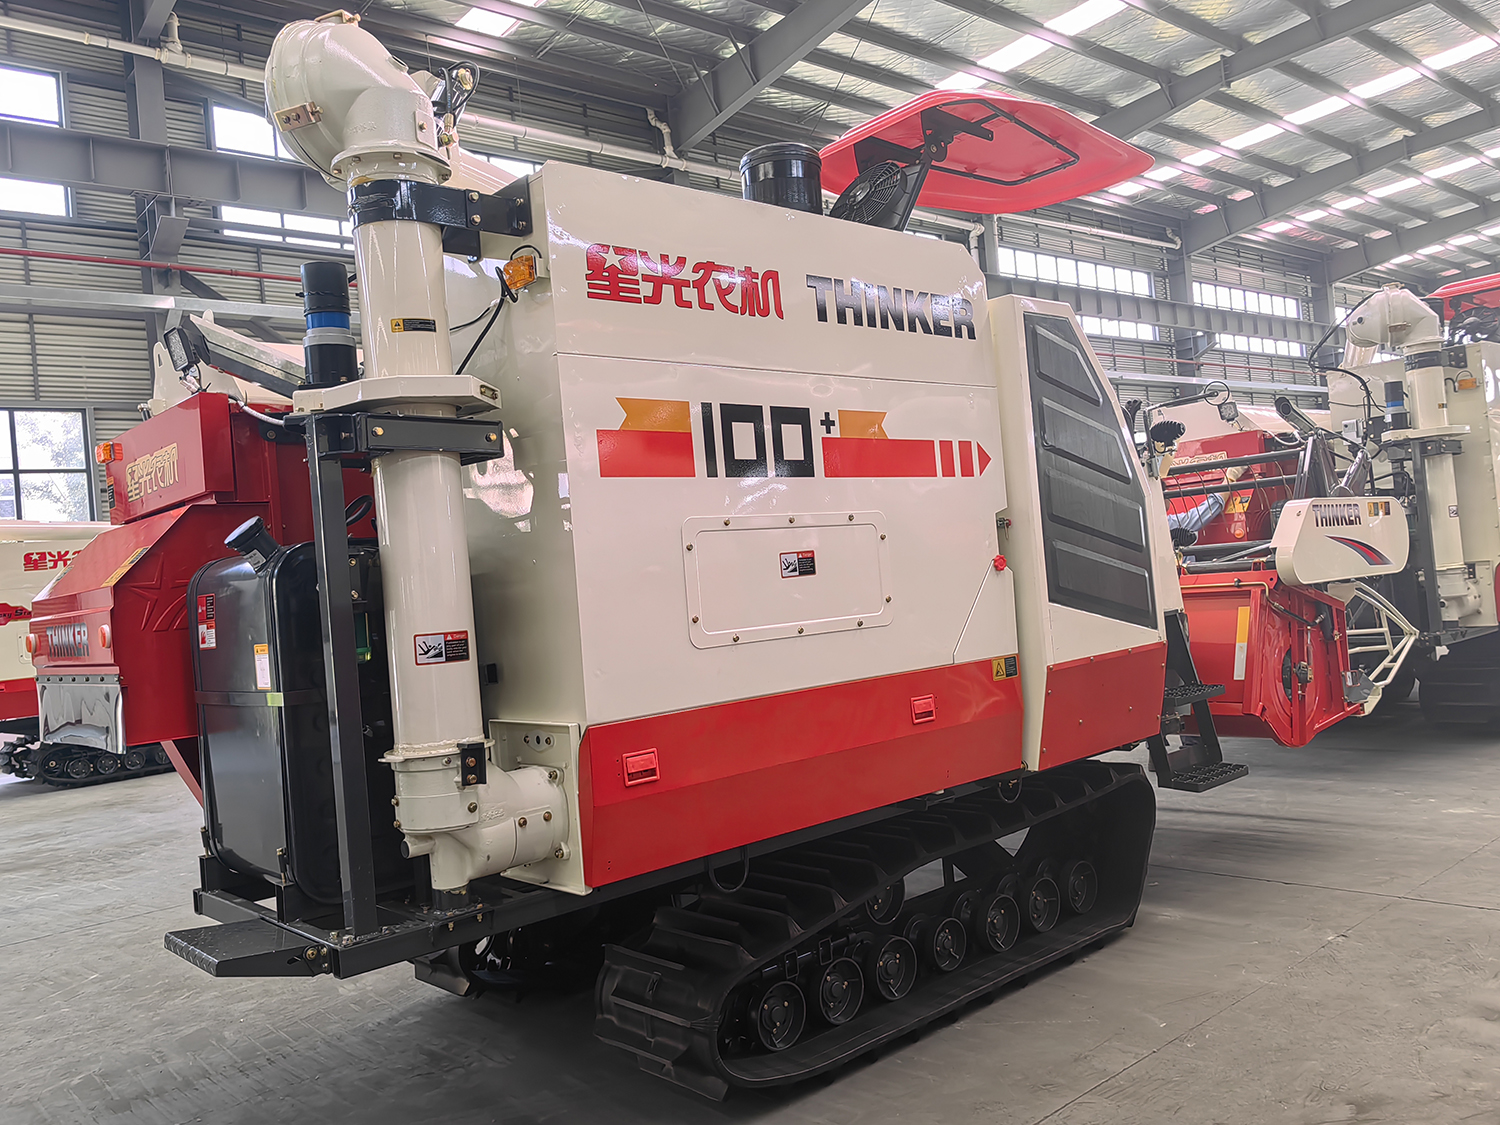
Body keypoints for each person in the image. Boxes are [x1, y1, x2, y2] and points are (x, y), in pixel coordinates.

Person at [1168, 463, 1245, 536]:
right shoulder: (1167, 523)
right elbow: (1200, 515)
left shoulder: (1165, 523)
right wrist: (1230, 478)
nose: (1167, 495)